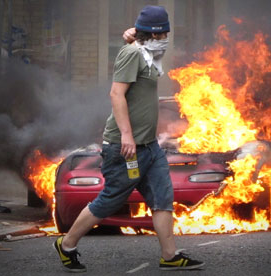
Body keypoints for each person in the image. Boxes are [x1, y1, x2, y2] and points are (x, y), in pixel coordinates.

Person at [53, 5, 204, 272]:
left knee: (161, 197)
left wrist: (133, 35)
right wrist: (126, 135)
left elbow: (143, 46)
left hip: (149, 146)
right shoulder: (132, 54)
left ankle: (170, 256)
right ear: (155, 34)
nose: (167, 38)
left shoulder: (148, 53)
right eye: (164, 33)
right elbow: (116, 94)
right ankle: (67, 244)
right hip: (125, 147)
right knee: (111, 199)